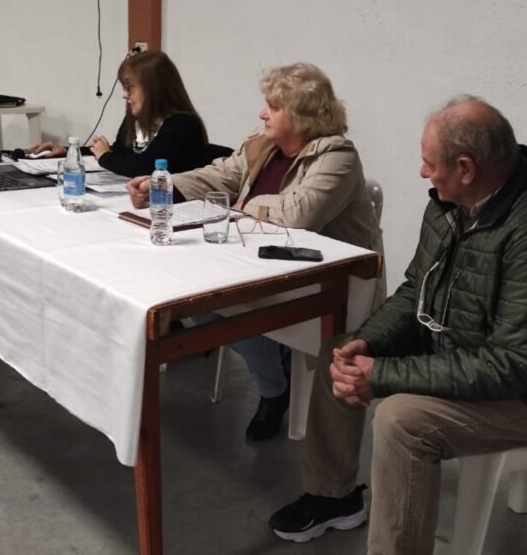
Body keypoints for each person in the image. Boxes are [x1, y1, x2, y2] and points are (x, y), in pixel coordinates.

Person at [267, 95, 527, 555]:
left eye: (429, 163)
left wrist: (383, 375)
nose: (422, 172)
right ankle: (333, 497)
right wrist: (368, 343)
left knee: (402, 421)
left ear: (465, 168)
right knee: (338, 351)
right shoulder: (453, 204)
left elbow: (511, 366)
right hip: (461, 351)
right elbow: (416, 290)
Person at [127, 62, 386, 442]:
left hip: (326, 283)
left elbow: (298, 214)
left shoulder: (338, 156)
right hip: (262, 262)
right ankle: (274, 383)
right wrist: (162, 184)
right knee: (192, 298)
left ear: (301, 114)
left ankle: (273, 386)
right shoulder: (264, 144)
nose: (262, 113)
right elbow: (222, 175)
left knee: (230, 303)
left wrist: (244, 206)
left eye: (273, 107)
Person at [29, 50, 224, 177]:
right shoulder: (137, 119)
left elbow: (146, 167)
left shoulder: (183, 125)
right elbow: (120, 153)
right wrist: (70, 151)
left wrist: (105, 157)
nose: (124, 94)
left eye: (130, 87)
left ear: (153, 88)